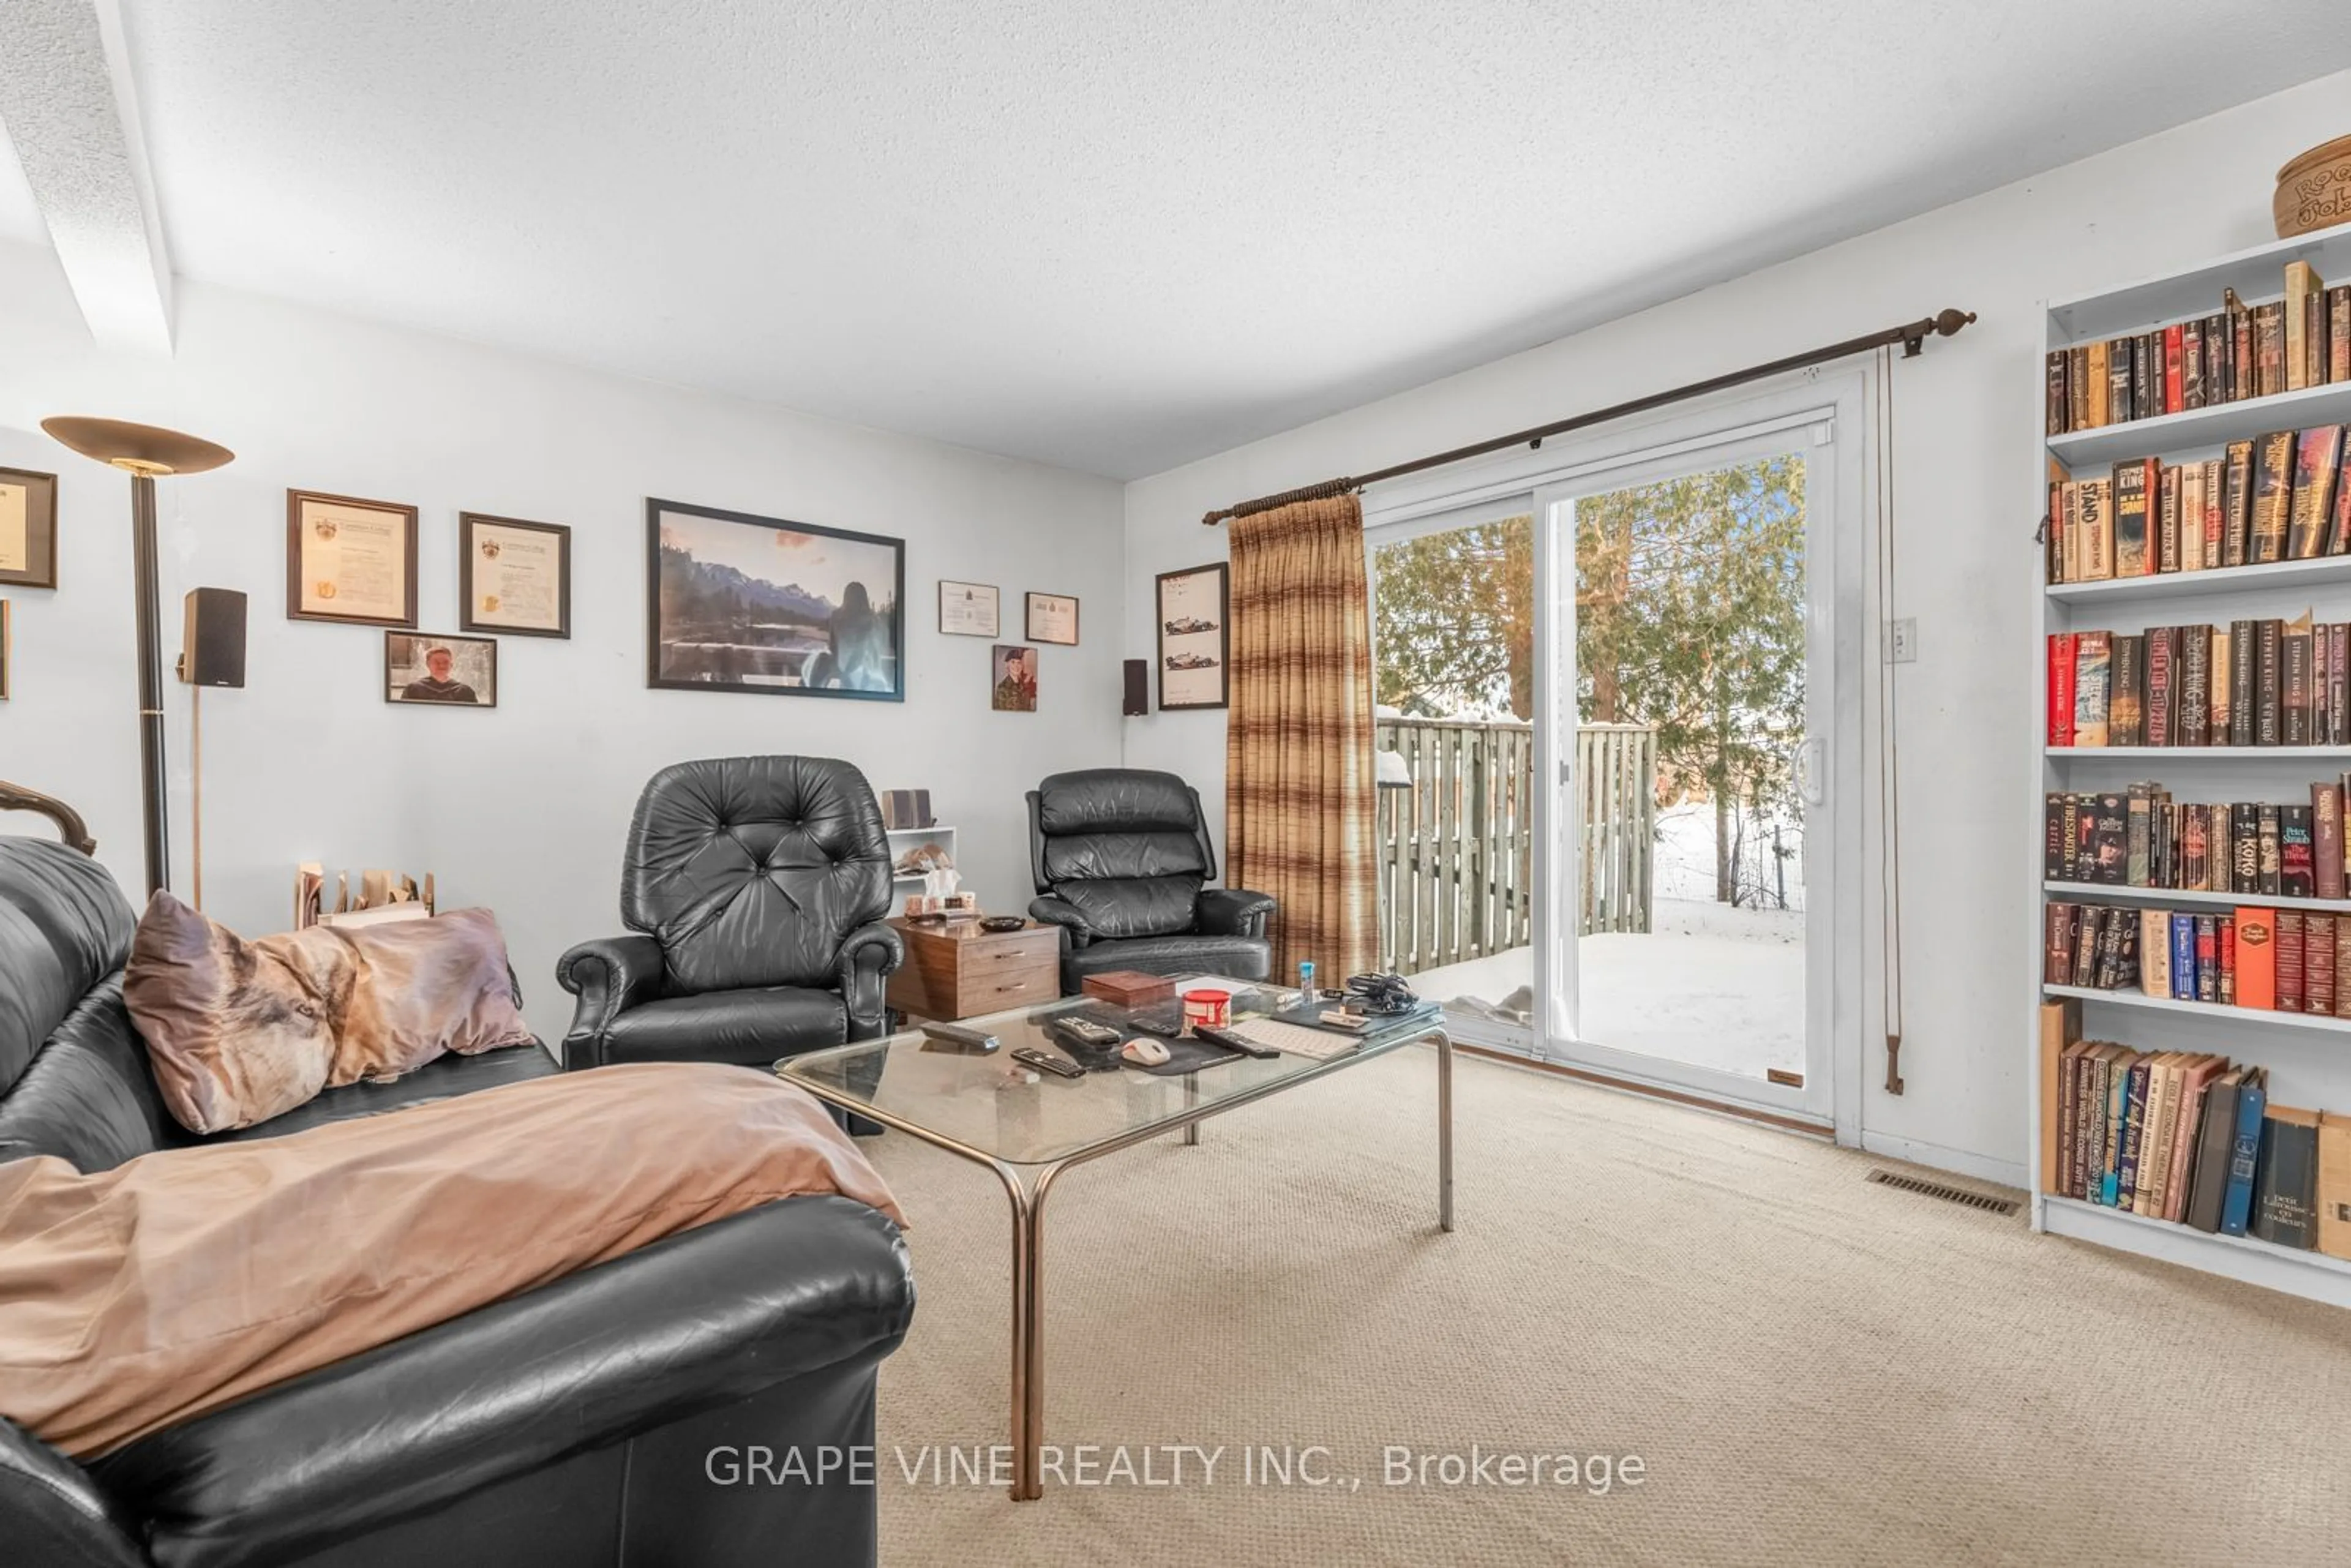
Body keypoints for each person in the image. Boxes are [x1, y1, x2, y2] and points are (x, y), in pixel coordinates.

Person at [400, 645, 480, 703]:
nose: (441, 666)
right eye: (436, 662)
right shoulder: (413, 689)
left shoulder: (465, 691)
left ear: (451, 665)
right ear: (428, 665)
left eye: (446, 662)